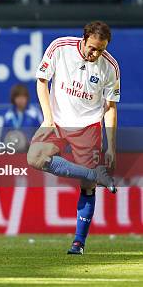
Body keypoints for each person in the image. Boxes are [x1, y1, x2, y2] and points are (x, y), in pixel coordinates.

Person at [27, 21, 120, 255]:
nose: (95, 53)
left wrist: (111, 146)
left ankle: (78, 243)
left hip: (88, 127)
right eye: (92, 48)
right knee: (34, 157)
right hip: (58, 121)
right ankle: (93, 174)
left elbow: (110, 108)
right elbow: (41, 81)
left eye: (101, 49)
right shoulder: (61, 47)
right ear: (84, 39)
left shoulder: (110, 66)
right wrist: (47, 119)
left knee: (88, 188)